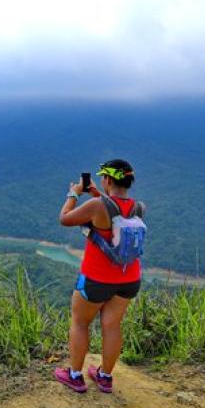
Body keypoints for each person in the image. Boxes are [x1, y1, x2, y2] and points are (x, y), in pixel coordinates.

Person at [53, 159, 144, 394]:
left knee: (80, 322)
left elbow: (65, 218)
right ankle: (104, 377)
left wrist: (73, 193)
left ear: (108, 179)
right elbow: (114, 212)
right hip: (129, 279)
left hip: (97, 279)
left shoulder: (96, 206)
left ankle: (75, 376)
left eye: (103, 178)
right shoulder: (138, 207)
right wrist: (96, 193)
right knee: (112, 325)